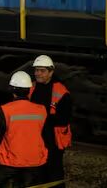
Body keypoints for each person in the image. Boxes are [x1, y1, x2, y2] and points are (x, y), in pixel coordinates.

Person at [0, 71, 47, 187]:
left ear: (12, 90)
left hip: (10, 160)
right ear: (29, 90)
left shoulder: (6, 110)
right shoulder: (41, 110)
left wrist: (0, 149)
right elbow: (43, 133)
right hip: (34, 161)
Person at [29, 55, 72, 184]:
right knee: (37, 171)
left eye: (42, 71)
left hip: (53, 140)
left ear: (51, 72)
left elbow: (64, 119)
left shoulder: (62, 92)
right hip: (36, 137)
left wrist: (43, 118)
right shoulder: (32, 87)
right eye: (36, 70)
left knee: (54, 173)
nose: (38, 74)